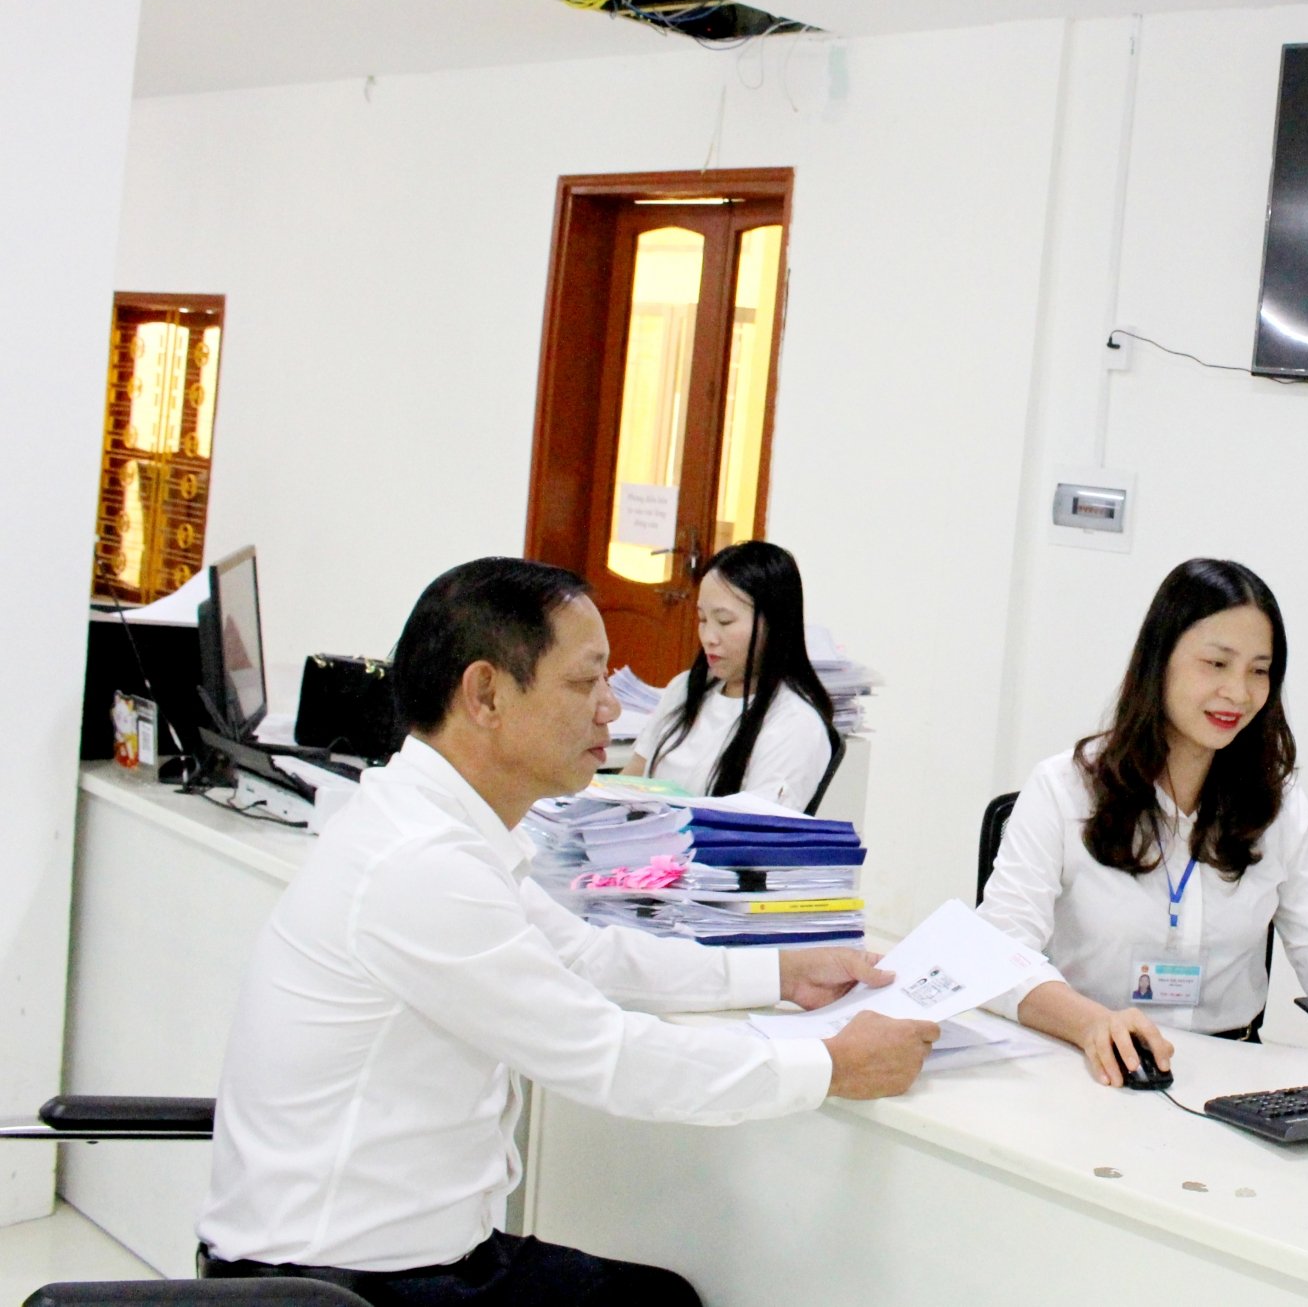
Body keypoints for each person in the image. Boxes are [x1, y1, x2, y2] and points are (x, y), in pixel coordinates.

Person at [198, 557, 937, 1305]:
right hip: (342, 1285)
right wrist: (831, 1065)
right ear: (485, 693)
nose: (612, 712)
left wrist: (779, 973)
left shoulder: (435, 826)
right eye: (586, 683)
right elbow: (606, 1056)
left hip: (404, 1254)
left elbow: (585, 954)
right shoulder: (420, 865)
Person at [979, 558, 1308, 1087]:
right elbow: (997, 953)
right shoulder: (1065, 790)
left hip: (1227, 1078)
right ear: (1160, 660)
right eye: (1217, 664)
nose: (1240, 693)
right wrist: (1093, 1024)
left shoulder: (1278, 804)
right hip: (1088, 1069)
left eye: (1259, 670)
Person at [623, 540, 835, 810]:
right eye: (702, 619)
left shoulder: (794, 724)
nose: (708, 637)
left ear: (774, 624)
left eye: (724, 621)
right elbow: (632, 777)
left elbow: (757, 835)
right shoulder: (685, 688)